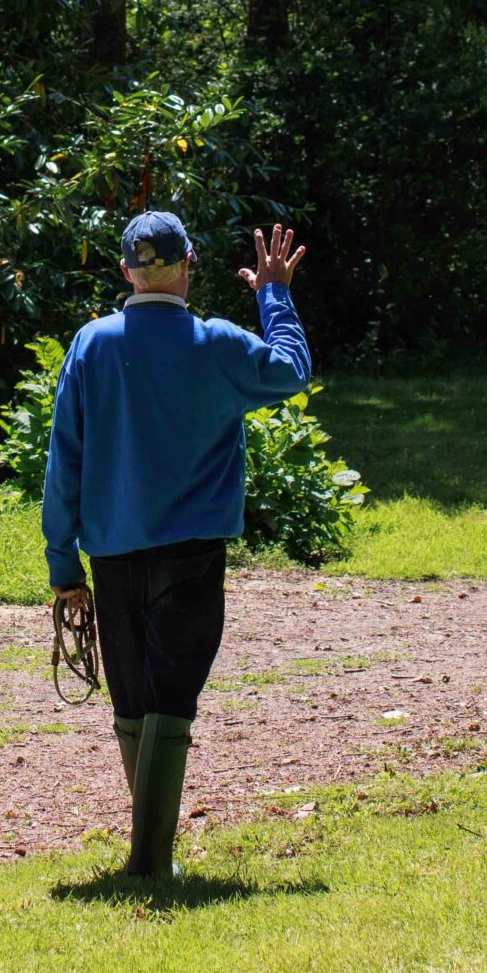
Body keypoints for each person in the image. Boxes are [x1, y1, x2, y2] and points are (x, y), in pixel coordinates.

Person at [41, 210, 311, 878]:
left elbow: (64, 460)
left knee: (133, 703)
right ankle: (151, 860)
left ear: (126, 269)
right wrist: (273, 294)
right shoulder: (215, 343)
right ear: (189, 265)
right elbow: (291, 369)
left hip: (110, 554)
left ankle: (149, 857)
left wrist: (60, 560)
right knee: (171, 702)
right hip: (192, 556)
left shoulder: (91, 344)